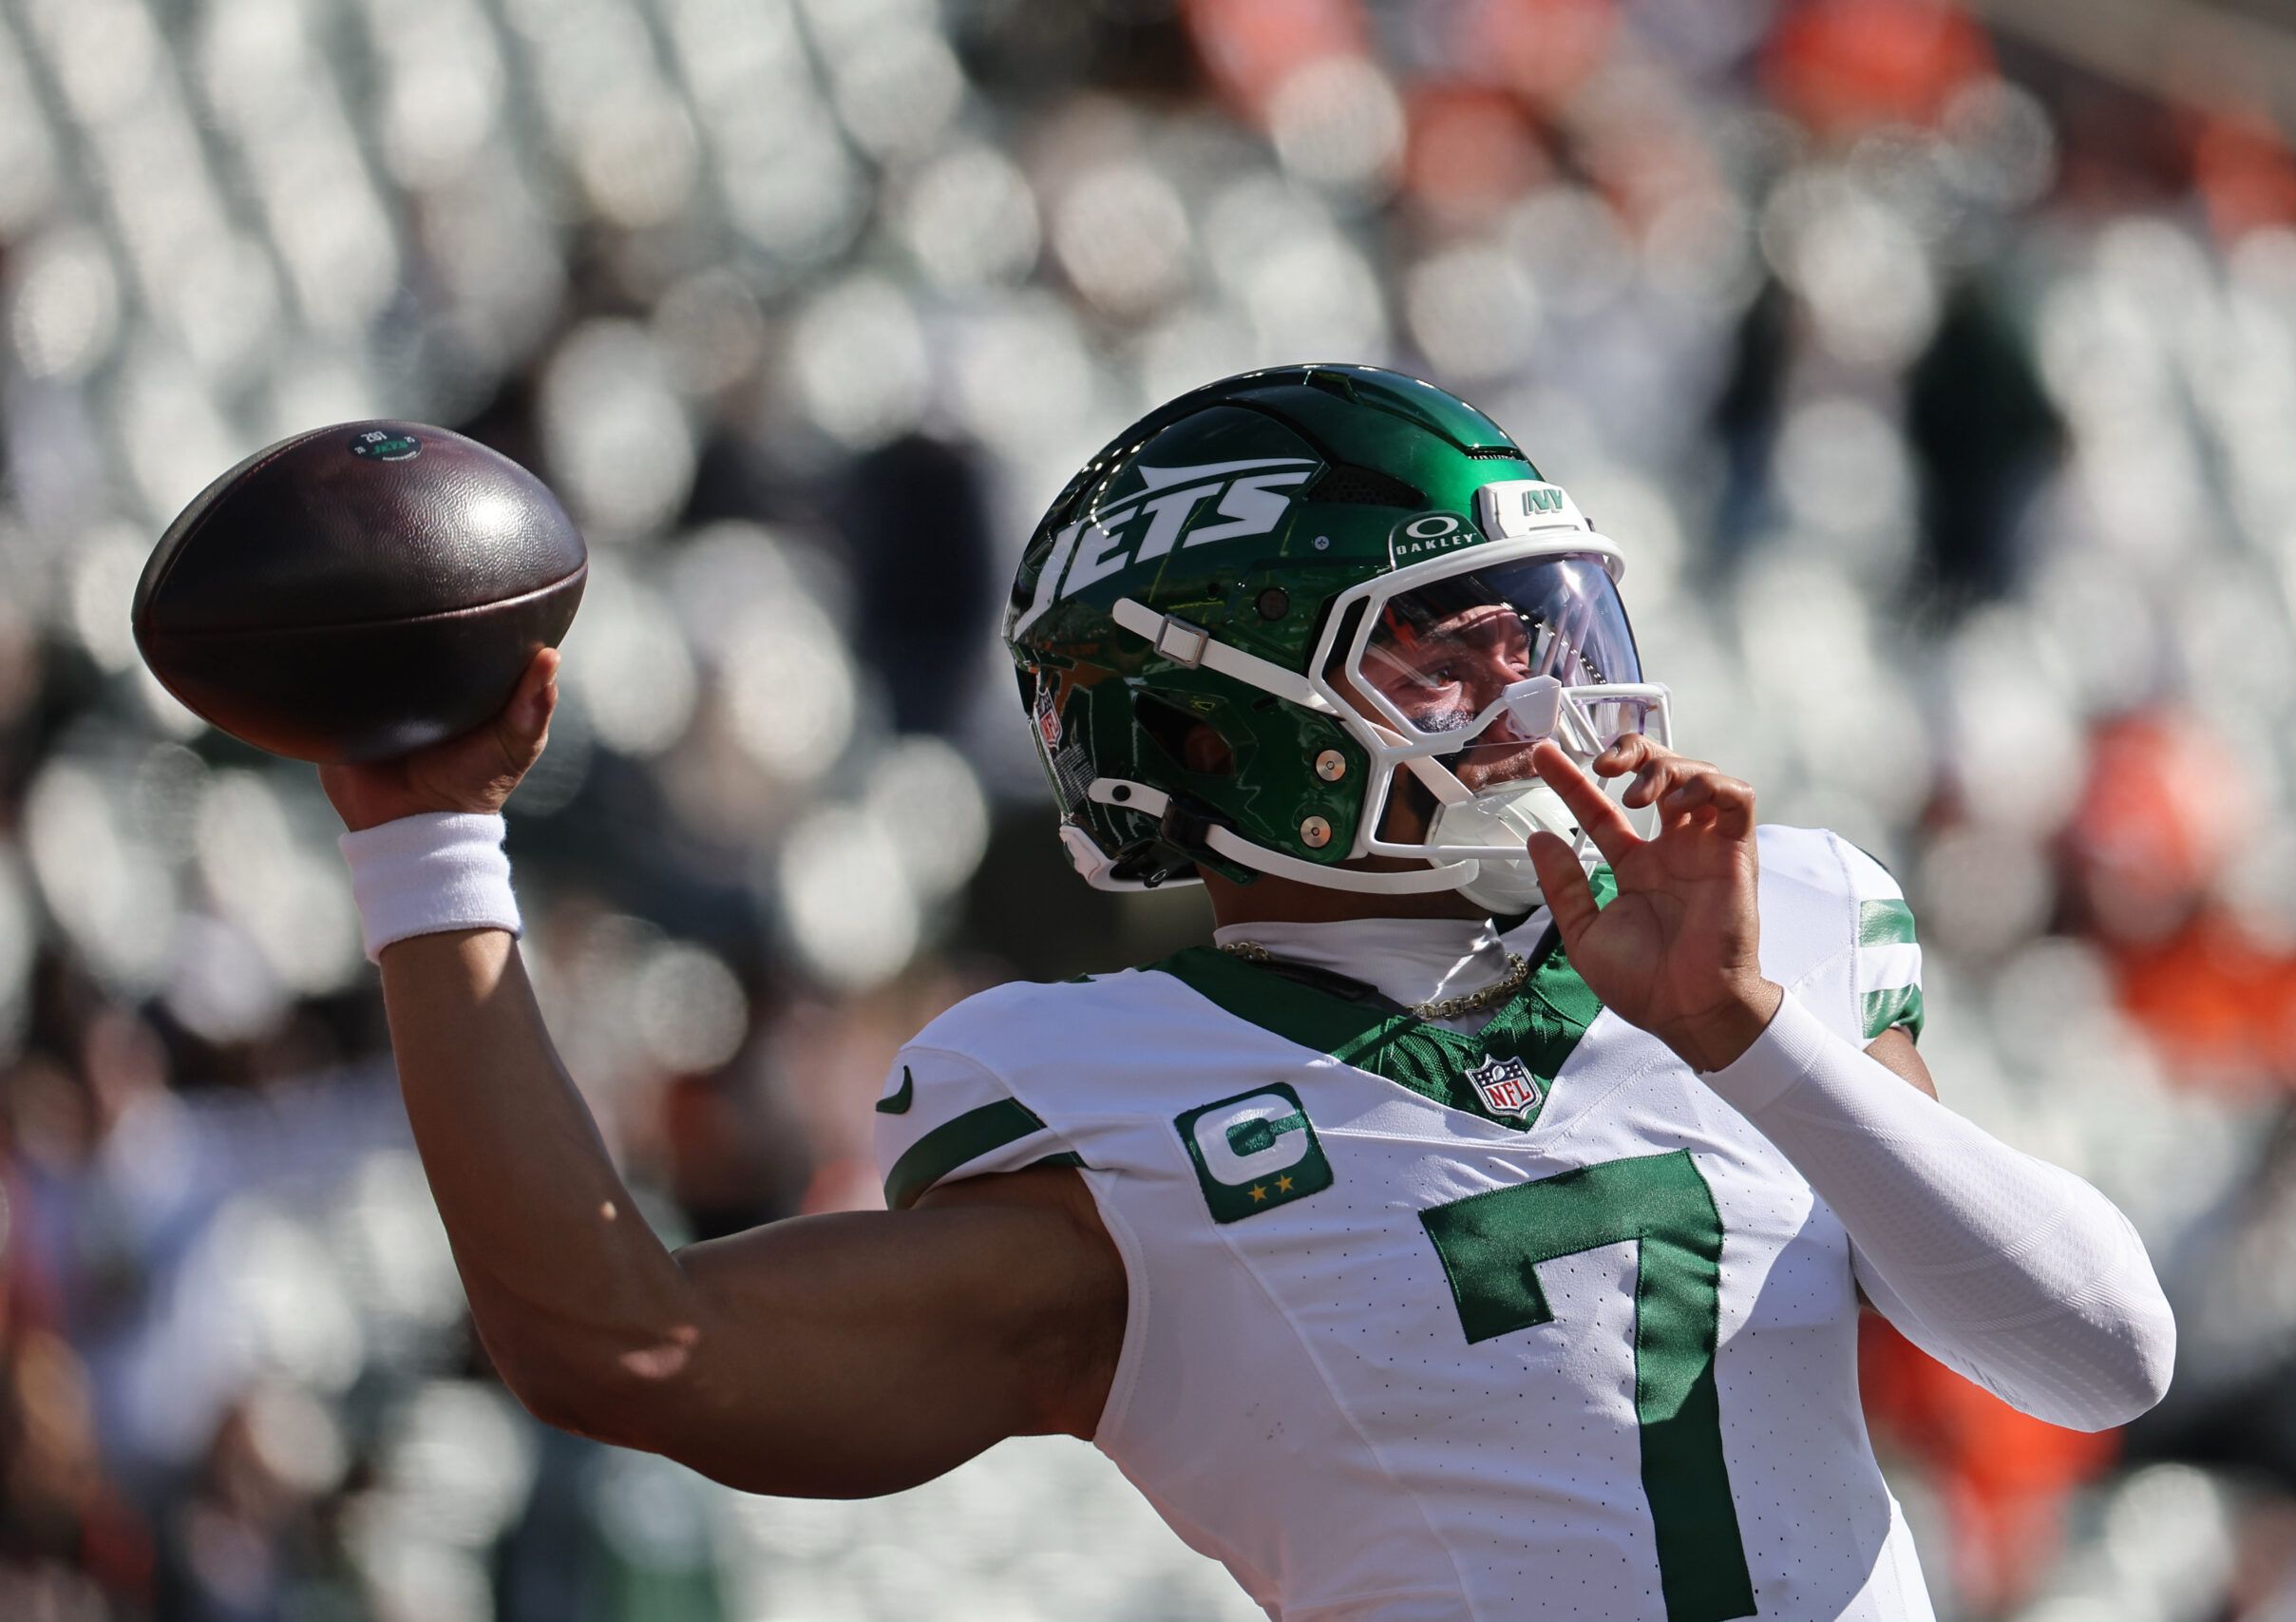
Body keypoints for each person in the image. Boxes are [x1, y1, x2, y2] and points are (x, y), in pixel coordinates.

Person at [319, 366, 2174, 1621]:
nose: (1548, 704)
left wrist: (1747, 1036)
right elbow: (619, 1341)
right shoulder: (1114, 1105)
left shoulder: (1763, 930)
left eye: (1552, 632)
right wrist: (427, 846)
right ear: (1216, 723)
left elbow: (2099, 1353)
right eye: (1452, 656)